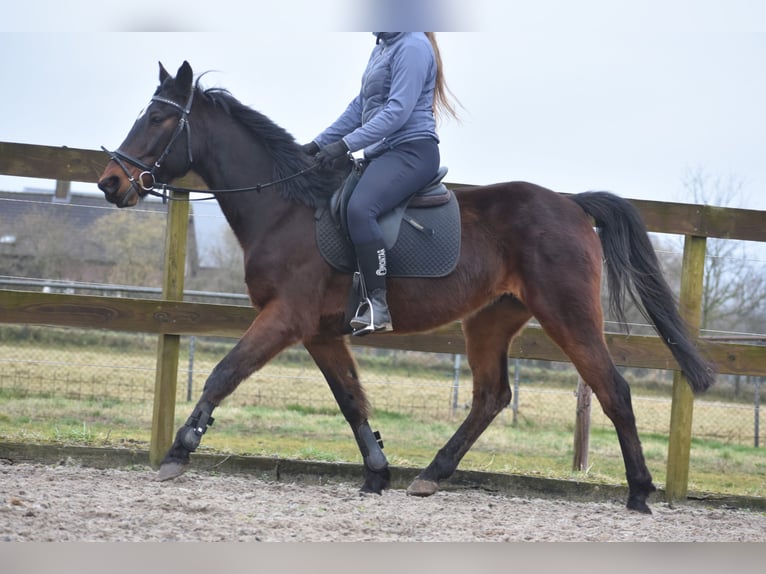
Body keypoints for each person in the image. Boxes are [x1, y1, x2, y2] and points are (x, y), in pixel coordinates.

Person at [304, 32, 459, 336]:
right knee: (343, 199)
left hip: (412, 150)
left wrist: (345, 145)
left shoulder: (413, 46)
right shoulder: (383, 49)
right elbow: (359, 107)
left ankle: (377, 305)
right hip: (384, 153)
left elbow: (397, 112)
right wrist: (319, 144)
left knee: (361, 209)